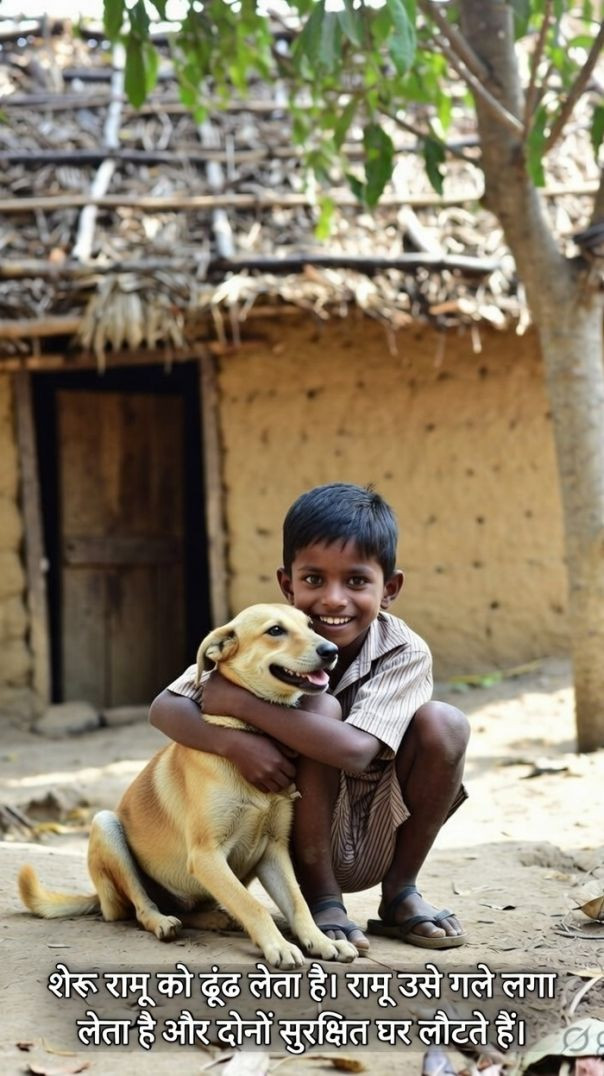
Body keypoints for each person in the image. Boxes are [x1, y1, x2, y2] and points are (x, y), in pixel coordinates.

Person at [150, 482, 470, 951]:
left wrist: (239, 703)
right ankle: (323, 900)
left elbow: (356, 752)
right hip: (290, 840)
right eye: (314, 580)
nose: (334, 600)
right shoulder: (265, 634)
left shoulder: (404, 651)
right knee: (320, 706)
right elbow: (165, 707)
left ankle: (401, 892)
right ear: (288, 585)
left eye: (356, 581)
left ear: (390, 589)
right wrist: (236, 744)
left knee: (446, 723)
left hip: (380, 830)